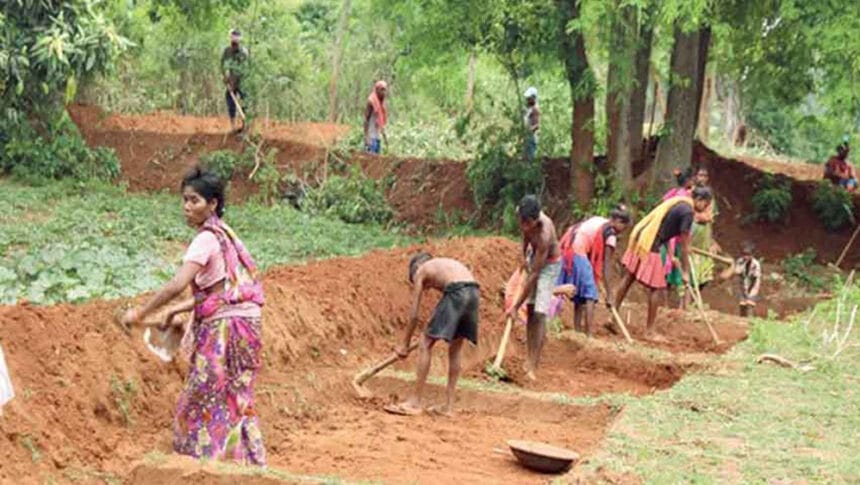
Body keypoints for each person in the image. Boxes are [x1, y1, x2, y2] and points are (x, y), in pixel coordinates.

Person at [121, 168, 266, 466]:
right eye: (184, 200)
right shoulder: (225, 235)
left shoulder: (204, 240)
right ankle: (245, 462)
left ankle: (201, 462)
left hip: (227, 327)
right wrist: (175, 310)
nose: (187, 207)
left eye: (194, 200)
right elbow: (220, 290)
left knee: (202, 396)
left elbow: (176, 284)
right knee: (236, 395)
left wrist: (141, 312)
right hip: (247, 323)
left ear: (212, 204)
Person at [613, 186, 713, 339]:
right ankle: (650, 331)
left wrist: (671, 255)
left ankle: (612, 317)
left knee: (628, 278)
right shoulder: (687, 212)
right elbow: (685, 245)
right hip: (650, 241)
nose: (704, 210)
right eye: (705, 205)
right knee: (657, 287)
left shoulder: (678, 202)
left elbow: (665, 227)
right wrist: (685, 273)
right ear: (699, 200)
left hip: (642, 236)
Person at [386, 254, 479, 417]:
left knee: (425, 343)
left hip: (458, 291)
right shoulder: (444, 265)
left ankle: (414, 402)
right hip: (473, 292)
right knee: (456, 348)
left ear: (415, 269)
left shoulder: (421, 270)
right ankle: (448, 407)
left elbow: (414, 314)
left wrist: (404, 344)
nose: (426, 287)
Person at [507, 195, 561, 381]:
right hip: (534, 257)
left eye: (526, 222)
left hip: (549, 265)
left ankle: (533, 366)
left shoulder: (544, 235)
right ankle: (528, 358)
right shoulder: (523, 214)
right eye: (520, 221)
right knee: (530, 310)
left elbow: (535, 275)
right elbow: (525, 236)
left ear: (535, 221)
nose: (522, 225)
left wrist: (515, 307)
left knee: (539, 312)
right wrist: (523, 256)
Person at [557, 206, 632, 336]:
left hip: (568, 248)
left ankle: (577, 331)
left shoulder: (600, 220)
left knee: (579, 294)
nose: (622, 232)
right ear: (618, 221)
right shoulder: (611, 235)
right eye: (624, 227)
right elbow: (606, 266)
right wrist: (609, 294)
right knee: (590, 294)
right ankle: (589, 335)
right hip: (577, 250)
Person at [221, 29, 249, 134]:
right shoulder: (227, 51)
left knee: (245, 100)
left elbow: (243, 70)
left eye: (236, 43)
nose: (234, 45)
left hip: (243, 80)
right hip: (231, 79)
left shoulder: (243, 53)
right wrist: (225, 76)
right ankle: (232, 125)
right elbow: (223, 64)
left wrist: (234, 82)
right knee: (229, 99)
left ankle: (245, 125)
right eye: (233, 43)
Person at [733, 241, 761, 317]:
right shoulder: (740, 261)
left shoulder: (756, 264)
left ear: (752, 255)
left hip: (753, 284)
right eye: (744, 254)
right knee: (742, 303)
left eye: (748, 255)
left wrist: (749, 291)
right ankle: (741, 319)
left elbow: (754, 279)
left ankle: (749, 319)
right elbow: (738, 275)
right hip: (743, 283)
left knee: (750, 302)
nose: (746, 257)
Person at [364, 80, 388, 154]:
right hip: (371, 137)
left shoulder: (381, 104)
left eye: (385, 90)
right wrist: (366, 136)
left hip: (377, 137)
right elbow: (366, 119)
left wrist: (384, 137)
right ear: (377, 90)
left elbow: (380, 122)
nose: (384, 93)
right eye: (382, 90)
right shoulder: (371, 102)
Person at [523, 87, 540, 162]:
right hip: (528, 136)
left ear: (534, 97)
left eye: (529, 98)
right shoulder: (529, 108)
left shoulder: (535, 109)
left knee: (530, 158)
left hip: (531, 137)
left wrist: (528, 132)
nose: (527, 100)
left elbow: (536, 125)